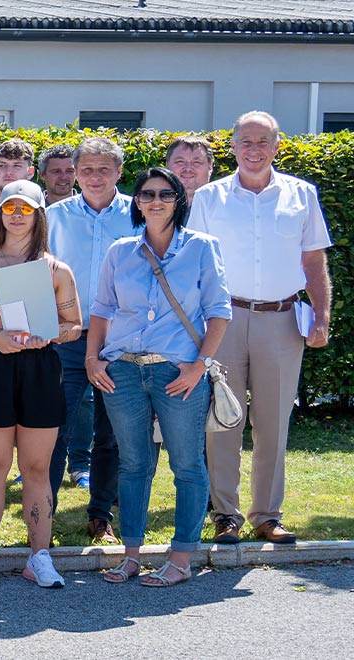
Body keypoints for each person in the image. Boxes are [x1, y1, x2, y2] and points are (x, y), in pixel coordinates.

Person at [192, 111, 333, 545]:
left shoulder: (301, 194)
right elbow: (195, 264)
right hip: (224, 320)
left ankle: (267, 515)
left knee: (274, 421)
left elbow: (314, 262)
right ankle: (226, 515)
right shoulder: (209, 198)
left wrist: (323, 316)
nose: (254, 150)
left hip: (282, 319)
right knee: (223, 420)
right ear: (232, 146)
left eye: (263, 142)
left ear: (276, 146)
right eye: (246, 142)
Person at [92, 167, 231, 587]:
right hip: (124, 371)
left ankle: (181, 558)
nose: (155, 201)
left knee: (187, 465)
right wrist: (93, 360)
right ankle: (131, 554)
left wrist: (199, 366)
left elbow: (219, 312)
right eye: (147, 194)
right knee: (133, 465)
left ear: (179, 201)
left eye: (165, 194)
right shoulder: (120, 251)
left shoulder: (203, 248)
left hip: (178, 372)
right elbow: (101, 309)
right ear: (136, 202)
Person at [0, 179, 83, 588]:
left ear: (39, 214)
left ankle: (39, 556)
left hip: (40, 368)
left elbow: (74, 325)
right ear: (1, 214)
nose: (18, 216)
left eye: (26, 209)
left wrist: (51, 334)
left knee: (37, 467)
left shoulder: (57, 269)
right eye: (11, 208)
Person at [45, 137, 134, 544]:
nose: (95, 177)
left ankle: (101, 515)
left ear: (118, 172)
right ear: (75, 173)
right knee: (53, 428)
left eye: (104, 169)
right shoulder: (51, 217)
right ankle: (41, 511)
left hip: (121, 341)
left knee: (110, 431)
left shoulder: (141, 212)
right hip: (65, 338)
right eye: (87, 169)